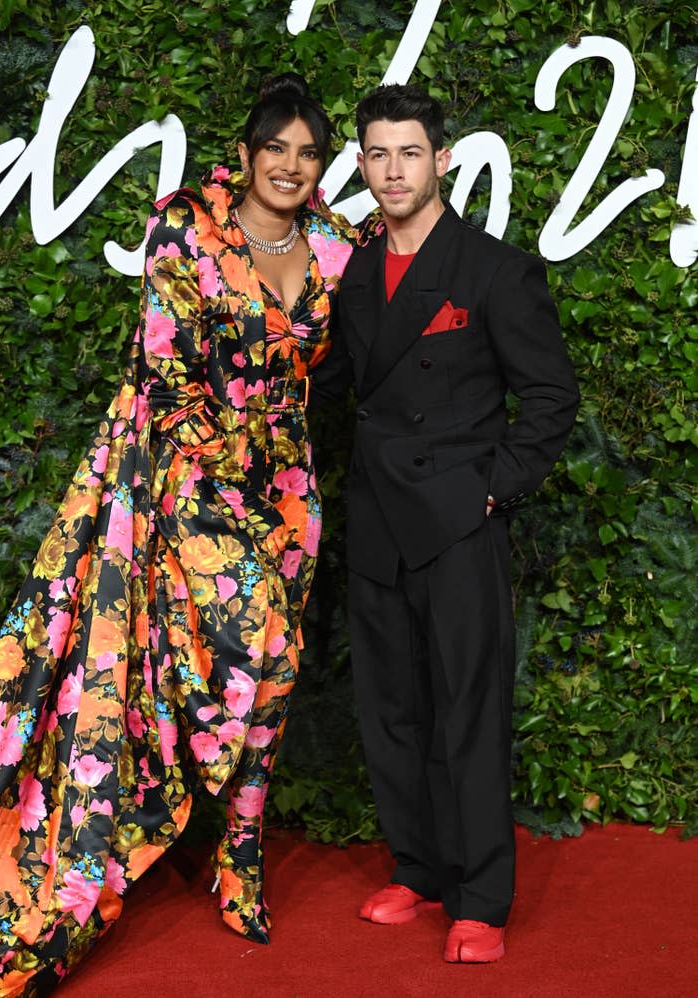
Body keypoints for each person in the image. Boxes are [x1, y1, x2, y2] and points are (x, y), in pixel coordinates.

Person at [0, 73, 353, 994]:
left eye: (307, 152)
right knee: (259, 636)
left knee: (279, 658)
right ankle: (205, 838)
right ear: (244, 155)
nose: (289, 164)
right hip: (185, 463)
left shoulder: (334, 244)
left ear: (321, 167)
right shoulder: (185, 225)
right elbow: (165, 366)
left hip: (286, 481)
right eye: (274, 147)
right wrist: (225, 477)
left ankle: (242, 853)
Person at [312, 84, 580, 963]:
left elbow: (550, 396)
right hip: (379, 522)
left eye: (410, 152)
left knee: (469, 711)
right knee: (392, 708)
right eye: (378, 154)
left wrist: (489, 493)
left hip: (459, 523)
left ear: (444, 159)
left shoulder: (493, 269)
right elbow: (339, 380)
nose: (394, 170)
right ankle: (420, 870)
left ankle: (480, 898)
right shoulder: (353, 269)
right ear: (361, 165)